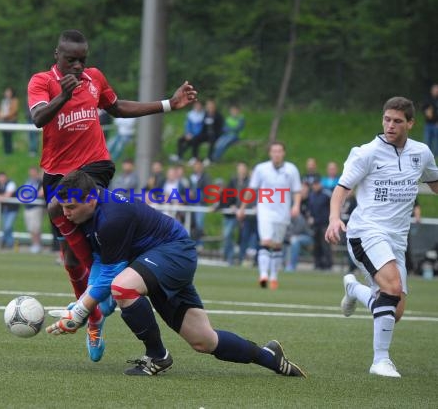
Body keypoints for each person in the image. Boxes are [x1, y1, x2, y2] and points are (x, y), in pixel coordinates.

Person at [27, 29, 197, 362]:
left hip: (95, 167)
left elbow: (117, 107)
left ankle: (95, 302)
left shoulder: (94, 78)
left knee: (56, 206)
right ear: (57, 55)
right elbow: (38, 118)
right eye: (71, 59)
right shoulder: (42, 82)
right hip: (57, 172)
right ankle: (94, 316)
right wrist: (63, 95)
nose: (78, 66)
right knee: (72, 257)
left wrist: (168, 103)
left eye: (83, 60)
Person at [46, 170, 306, 378]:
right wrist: (86, 304)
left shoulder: (112, 215)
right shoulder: (89, 214)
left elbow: (112, 274)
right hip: (152, 264)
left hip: (173, 253)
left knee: (122, 287)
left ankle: (157, 357)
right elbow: (102, 264)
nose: (66, 214)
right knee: (204, 340)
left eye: (70, 207)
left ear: (91, 199)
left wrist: (80, 311)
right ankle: (269, 357)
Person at [325, 96, 438, 378]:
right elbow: (341, 188)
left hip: (397, 240)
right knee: (391, 287)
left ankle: (353, 290)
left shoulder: (421, 153)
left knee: (393, 311)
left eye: (397, 121)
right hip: (366, 232)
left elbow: (435, 184)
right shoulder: (367, 153)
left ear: (410, 123)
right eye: (387, 119)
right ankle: (380, 361)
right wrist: (334, 218)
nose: (390, 125)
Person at [237, 142, 302, 290]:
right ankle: (263, 275)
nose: (276, 154)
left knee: (277, 245)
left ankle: (273, 276)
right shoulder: (261, 169)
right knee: (265, 241)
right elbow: (251, 189)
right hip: (265, 209)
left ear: (283, 153)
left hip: (282, 212)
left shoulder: (291, 169)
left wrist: (296, 205)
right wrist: (242, 208)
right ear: (270, 153)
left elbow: (297, 190)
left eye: (279, 151)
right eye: (274, 151)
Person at [307, 175, 332, 270]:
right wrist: (309, 217)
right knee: (316, 245)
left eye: (316, 184)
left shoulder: (326, 194)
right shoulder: (312, 195)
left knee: (325, 245)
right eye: (313, 184)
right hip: (315, 224)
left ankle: (328, 264)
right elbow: (310, 209)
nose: (315, 186)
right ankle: (318, 264)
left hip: (325, 223)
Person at [0, 172, 19, 249]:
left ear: (6, 177)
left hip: (12, 209)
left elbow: (8, 195)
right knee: (7, 227)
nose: (1, 179)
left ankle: (4, 241)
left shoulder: (11, 184)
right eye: (0, 177)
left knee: (7, 226)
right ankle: (10, 243)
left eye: (3, 177)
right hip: (3, 209)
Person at [188, 160, 211, 248]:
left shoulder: (206, 177)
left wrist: (196, 194)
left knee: (199, 223)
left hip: (200, 203)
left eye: (198, 166)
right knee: (192, 224)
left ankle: (200, 244)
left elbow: (207, 190)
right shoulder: (191, 176)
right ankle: (193, 243)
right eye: (195, 166)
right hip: (191, 203)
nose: (196, 167)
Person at [195, 99, 224, 166]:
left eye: (211, 106)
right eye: (208, 106)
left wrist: (215, 134)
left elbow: (220, 128)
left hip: (215, 135)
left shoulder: (219, 116)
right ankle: (195, 157)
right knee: (196, 138)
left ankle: (209, 158)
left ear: (214, 107)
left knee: (212, 139)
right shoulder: (206, 115)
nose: (209, 108)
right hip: (206, 134)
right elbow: (203, 127)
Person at [23, 167, 45, 254]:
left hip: (36, 207)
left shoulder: (40, 182)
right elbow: (24, 192)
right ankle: (34, 244)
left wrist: (29, 196)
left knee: (36, 227)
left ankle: (37, 244)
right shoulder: (28, 181)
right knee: (30, 228)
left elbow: (41, 193)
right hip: (28, 207)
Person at [0, 87, 19, 155]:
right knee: (4, 136)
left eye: (9, 92)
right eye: (6, 92)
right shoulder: (3, 101)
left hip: (10, 120)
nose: (7, 94)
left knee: (9, 136)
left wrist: (5, 116)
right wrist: (0, 115)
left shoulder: (15, 100)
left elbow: (14, 111)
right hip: (3, 121)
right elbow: (1, 110)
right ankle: (5, 151)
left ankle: (9, 151)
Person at [422, 83, 438, 155]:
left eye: (437, 90)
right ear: (432, 91)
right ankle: (428, 154)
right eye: (434, 90)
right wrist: (426, 111)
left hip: (436, 124)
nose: (436, 91)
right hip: (428, 124)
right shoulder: (428, 99)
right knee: (427, 141)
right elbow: (423, 108)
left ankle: (435, 156)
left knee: (436, 142)